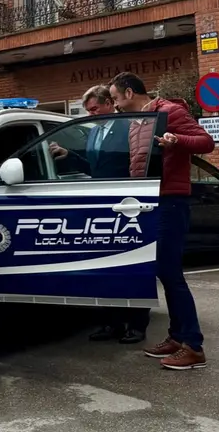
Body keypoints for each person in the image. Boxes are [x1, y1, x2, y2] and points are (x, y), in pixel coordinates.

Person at [109, 71, 215, 371]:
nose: (114, 105)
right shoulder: (136, 123)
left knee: (170, 272)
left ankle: (193, 345)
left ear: (130, 93)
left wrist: (176, 140)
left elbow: (206, 142)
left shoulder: (170, 111)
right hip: (148, 202)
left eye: (116, 98)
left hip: (171, 200)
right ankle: (176, 336)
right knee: (161, 271)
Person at [49, 86, 143, 343]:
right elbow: (93, 167)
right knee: (103, 267)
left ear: (109, 103)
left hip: (126, 204)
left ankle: (134, 324)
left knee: (129, 267)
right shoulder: (93, 134)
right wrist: (70, 156)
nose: (91, 114)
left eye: (95, 109)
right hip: (100, 203)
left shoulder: (128, 128)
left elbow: (136, 162)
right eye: (88, 110)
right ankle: (109, 323)